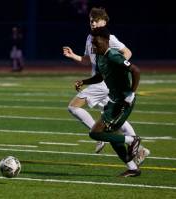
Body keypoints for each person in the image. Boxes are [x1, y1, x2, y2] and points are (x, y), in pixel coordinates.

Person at [63, 7, 149, 165]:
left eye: (96, 20)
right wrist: (73, 55)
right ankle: (139, 150)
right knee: (114, 121)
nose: (93, 23)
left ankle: (99, 136)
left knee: (74, 107)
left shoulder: (109, 38)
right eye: (91, 20)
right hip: (100, 81)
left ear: (104, 21)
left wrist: (116, 67)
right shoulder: (90, 38)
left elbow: (127, 52)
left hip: (102, 84)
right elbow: (89, 60)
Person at [74, 26, 142, 177]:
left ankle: (132, 140)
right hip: (113, 101)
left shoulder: (113, 55)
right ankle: (132, 168)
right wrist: (84, 81)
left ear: (106, 41)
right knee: (110, 133)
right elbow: (100, 76)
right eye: (92, 42)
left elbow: (136, 71)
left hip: (123, 102)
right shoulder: (99, 56)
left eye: (96, 42)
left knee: (96, 133)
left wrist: (131, 93)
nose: (93, 45)